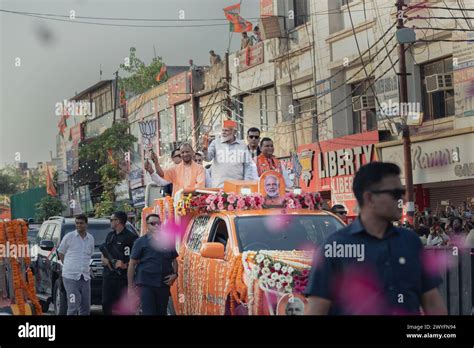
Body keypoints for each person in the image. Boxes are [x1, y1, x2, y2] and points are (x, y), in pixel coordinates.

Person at [305, 162, 447, 315]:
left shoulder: (411, 242)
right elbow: (316, 309)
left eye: (402, 192)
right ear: (370, 198)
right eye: (395, 193)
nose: (403, 200)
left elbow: (432, 302)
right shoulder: (333, 248)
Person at [127, 214, 178, 315]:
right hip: (146, 284)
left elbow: (174, 260)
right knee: (149, 312)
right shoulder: (140, 242)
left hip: (163, 283)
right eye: (153, 224)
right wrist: (130, 287)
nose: (156, 226)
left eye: (158, 223)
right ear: (147, 225)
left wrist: (175, 275)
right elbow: (132, 264)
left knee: (161, 312)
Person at [101, 211, 138, 315]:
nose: (110, 222)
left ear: (117, 221)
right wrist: (104, 259)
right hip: (108, 276)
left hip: (123, 278)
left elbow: (138, 259)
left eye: (111, 220)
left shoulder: (131, 237)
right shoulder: (110, 235)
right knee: (106, 303)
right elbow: (104, 250)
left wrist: (124, 265)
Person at [202, 119, 258, 188]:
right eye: (222, 130)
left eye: (226, 130)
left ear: (234, 132)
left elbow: (248, 166)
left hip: (237, 187)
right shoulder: (215, 143)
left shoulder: (242, 145)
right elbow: (208, 158)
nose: (223, 133)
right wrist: (205, 151)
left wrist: (246, 183)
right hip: (219, 187)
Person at [57, 214, 94, 316]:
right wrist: (69, 265)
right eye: (77, 223)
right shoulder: (69, 237)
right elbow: (61, 252)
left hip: (85, 277)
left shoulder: (90, 238)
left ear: (86, 224)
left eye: (81, 223)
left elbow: (89, 255)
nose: (78, 225)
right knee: (73, 306)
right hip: (70, 277)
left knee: (86, 308)